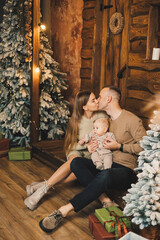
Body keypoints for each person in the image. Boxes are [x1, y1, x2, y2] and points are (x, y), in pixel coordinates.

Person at [39, 85, 146, 233]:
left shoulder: (132, 119)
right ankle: (106, 200)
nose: (97, 100)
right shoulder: (104, 121)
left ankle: (64, 210)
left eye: (100, 97)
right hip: (105, 165)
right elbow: (94, 138)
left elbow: (144, 147)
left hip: (125, 170)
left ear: (108, 99)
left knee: (106, 173)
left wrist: (119, 146)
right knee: (76, 162)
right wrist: (91, 146)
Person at [24, 90, 109, 211]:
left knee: (76, 171)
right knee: (73, 161)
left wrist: (95, 146)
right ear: (85, 107)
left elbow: (106, 137)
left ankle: (40, 185)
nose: (97, 101)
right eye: (93, 100)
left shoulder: (102, 116)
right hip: (77, 150)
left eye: (96, 98)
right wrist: (86, 145)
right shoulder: (76, 121)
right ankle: (41, 192)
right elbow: (70, 145)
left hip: (91, 154)